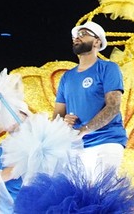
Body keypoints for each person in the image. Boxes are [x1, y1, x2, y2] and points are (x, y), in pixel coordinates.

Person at [53, 22, 127, 177]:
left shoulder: (109, 68)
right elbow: (57, 116)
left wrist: (84, 130)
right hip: (76, 146)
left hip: (107, 141)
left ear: (97, 42)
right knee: (77, 198)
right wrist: (63, 123)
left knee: (102, 194)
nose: (77, 38)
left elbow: (113, 107)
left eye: (83, 34)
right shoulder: (67, 77)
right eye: (75, 36)